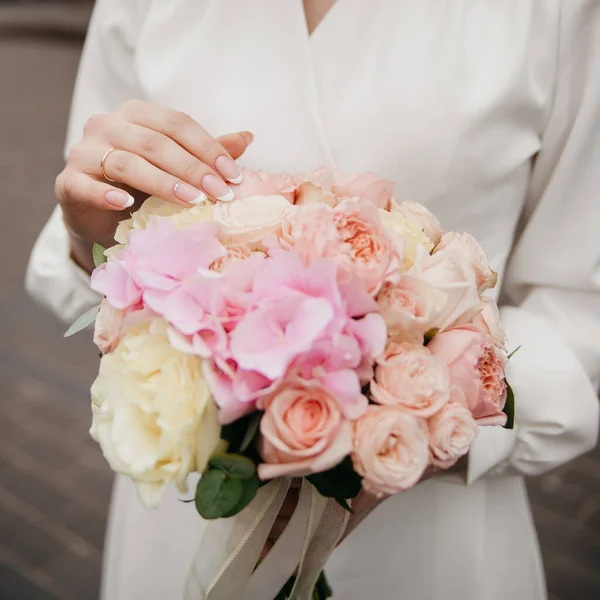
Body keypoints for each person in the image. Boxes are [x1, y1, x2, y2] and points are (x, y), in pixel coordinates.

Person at [26, 1, 600, 598]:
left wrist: (402, 423)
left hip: (421, 531)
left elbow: (580, 308)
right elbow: (98, 227)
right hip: (189, 502)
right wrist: (89, 234)